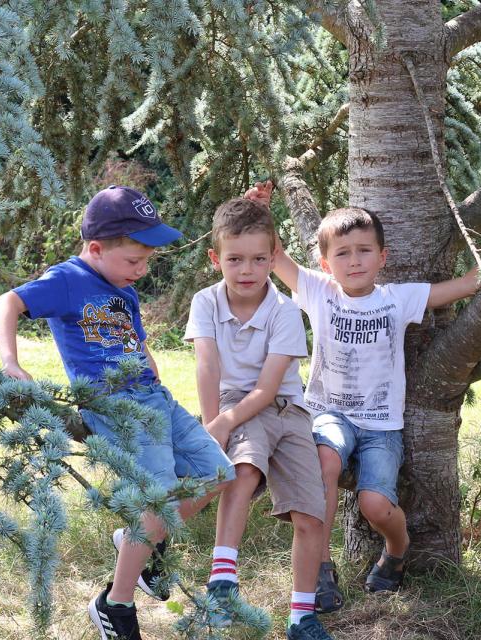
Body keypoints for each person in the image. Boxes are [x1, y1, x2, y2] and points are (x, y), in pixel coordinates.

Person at [246, 180, 481, 612]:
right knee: (325, 462)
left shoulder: (397, 299)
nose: (354, 261)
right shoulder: (318, 291)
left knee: (375, 506)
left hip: (381, 425)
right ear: (326, 263)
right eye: (343, 253)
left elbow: (467, 284)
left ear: (382, 257)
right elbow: (273, 255)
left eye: (364, 250)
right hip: (329, 412)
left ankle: (397, 549)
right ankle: (320, 568)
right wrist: (260, 211)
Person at [0, 185, 235, 640]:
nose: (141, 271)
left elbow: (135, 340)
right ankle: (114, 604)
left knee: (218, 473)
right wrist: (10, 362)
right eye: (133, 262)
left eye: (146, 262)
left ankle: (140, 543)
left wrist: (154, 369)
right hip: (115, 405)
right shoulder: (67, 279)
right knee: (156, 498)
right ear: (96, 248)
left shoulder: (123, 288)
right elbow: (8, 302)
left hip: (155, 397)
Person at [184, 197, 333, 640]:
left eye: (257, 259)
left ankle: (302, 615)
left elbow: (269, 389)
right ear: (216, 259)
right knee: (242, 468)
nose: (246, 270)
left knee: (311, 514)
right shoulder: (206, 302)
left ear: (273, 257)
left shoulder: (286, 311)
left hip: (287, 410)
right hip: (233, 400)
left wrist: (225, 422)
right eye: (235, 259)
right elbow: (207, 367)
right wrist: (215, 425)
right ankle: (223, 578)